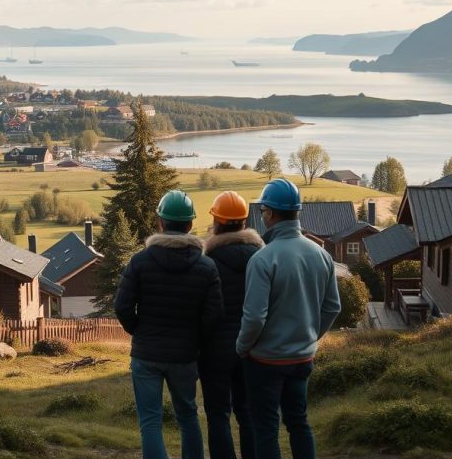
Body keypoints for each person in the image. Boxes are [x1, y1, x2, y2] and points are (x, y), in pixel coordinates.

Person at [236, 179, 341, 459]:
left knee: (266, 429)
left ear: (269, 213)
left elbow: (255, 317)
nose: (261, 216)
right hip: (302, 358)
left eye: (263, 211)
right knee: (299, 423)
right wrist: (309, 336)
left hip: (265, 360)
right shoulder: (322, 255)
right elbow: (332, 307)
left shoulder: (262, 258)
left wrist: (242, 347)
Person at [115, 189, 224, 459]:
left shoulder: (140, 262)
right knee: (188, 415)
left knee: (150, 421)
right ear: (189, 225)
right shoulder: (207, 266)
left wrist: (139, 331)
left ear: (160, 222)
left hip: (146, 353)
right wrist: (196, 340)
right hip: (185, 355)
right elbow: (215, 316)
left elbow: (122, 307)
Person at [200, 191, 263, 459]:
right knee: (248, 413)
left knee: (218, 414)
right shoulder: (261, 258)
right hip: (253, 348)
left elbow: (203, 310)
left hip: (215, 351)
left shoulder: (207, 263)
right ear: (244, 222)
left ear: (217, 221)